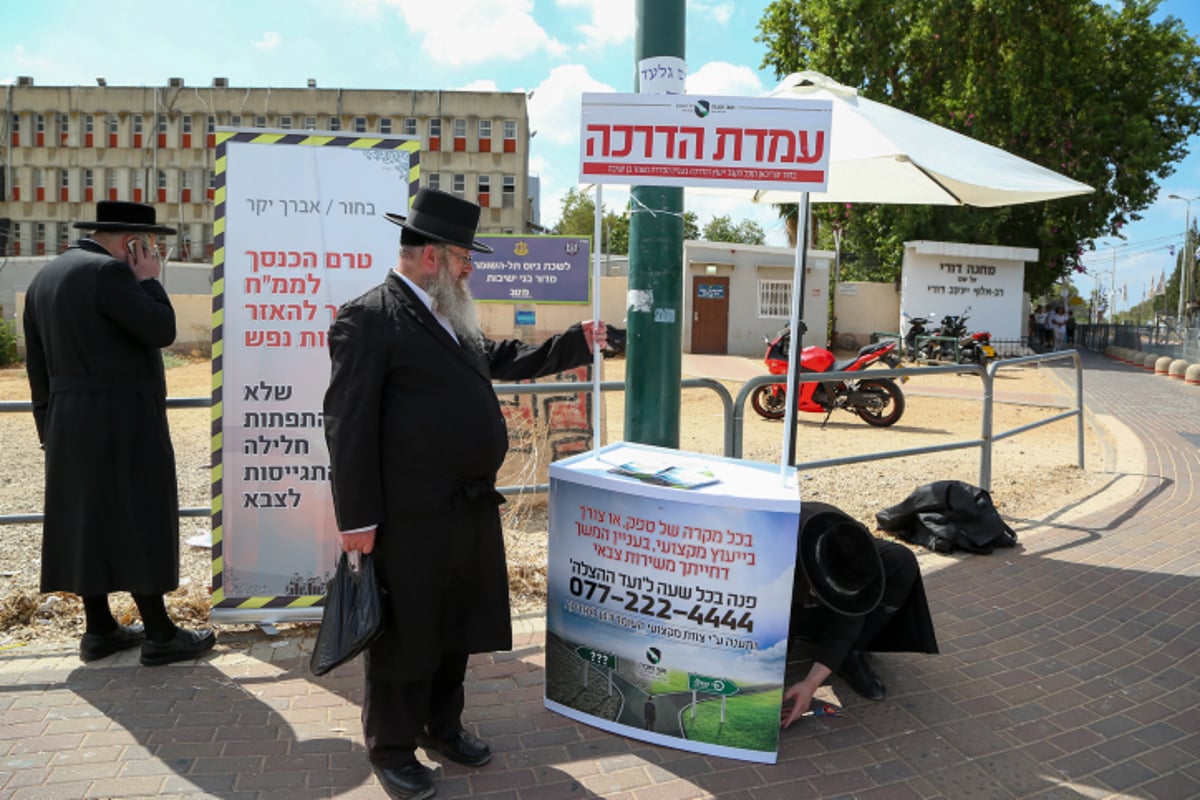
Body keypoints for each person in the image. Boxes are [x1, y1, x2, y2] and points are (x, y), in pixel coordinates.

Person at [322, 188, 606, 800]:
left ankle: (441, 725)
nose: (471, 267)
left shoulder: (450, 313)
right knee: (405, 634)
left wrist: (575, 341)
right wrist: (358, 518)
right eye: (464, 256)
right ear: (431, 256)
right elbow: (347, 427)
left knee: (454, 624)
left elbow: (501, 357)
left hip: (465, 506)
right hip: (405, 516)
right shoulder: (368, 318)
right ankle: (392, 747)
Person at [22, 201, 217, 666]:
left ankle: (100, 629)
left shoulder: (47, 277)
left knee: (88, 521)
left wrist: (48, 426)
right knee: (139, 517)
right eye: (150, 246)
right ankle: (160, 634)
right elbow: (161, 329)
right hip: (121, 417)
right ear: (132, 244)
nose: (154, 253)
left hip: (69, 421)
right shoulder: (109, 274)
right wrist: (148, 279)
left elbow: (36, 366)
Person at [780, 501, 938, 729]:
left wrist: (810, 684)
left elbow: (851, 613)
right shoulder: (781, 540)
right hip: (786, 591)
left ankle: (849, 654)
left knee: (901, 560)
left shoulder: (855, 546)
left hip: (822, 587)